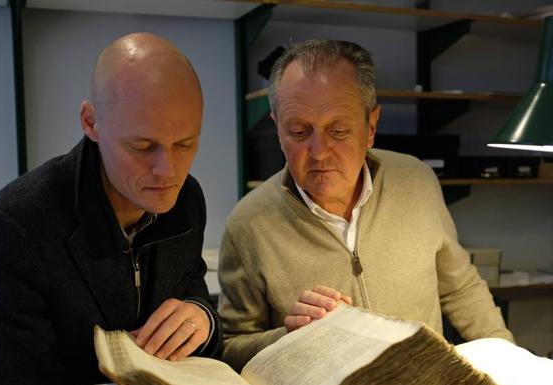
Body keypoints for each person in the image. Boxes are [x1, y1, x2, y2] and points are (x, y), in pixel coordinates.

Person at [217, 39, 514, 371]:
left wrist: (511, 362)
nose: (319, 152)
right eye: (299, 132)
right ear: (277, 127)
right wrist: (286, 336)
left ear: (371, 127)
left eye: (339, 130)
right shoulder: (248, 224)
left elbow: (461, 289)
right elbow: (230, 347)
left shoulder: (417, 181)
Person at [0, 33, 221, 385]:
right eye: (143, 146)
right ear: (90, 122)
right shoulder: (11, 229)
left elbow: (193, 290)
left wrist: (202, 318)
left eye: (185, 144)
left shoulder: (187, 200)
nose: (169, 171)